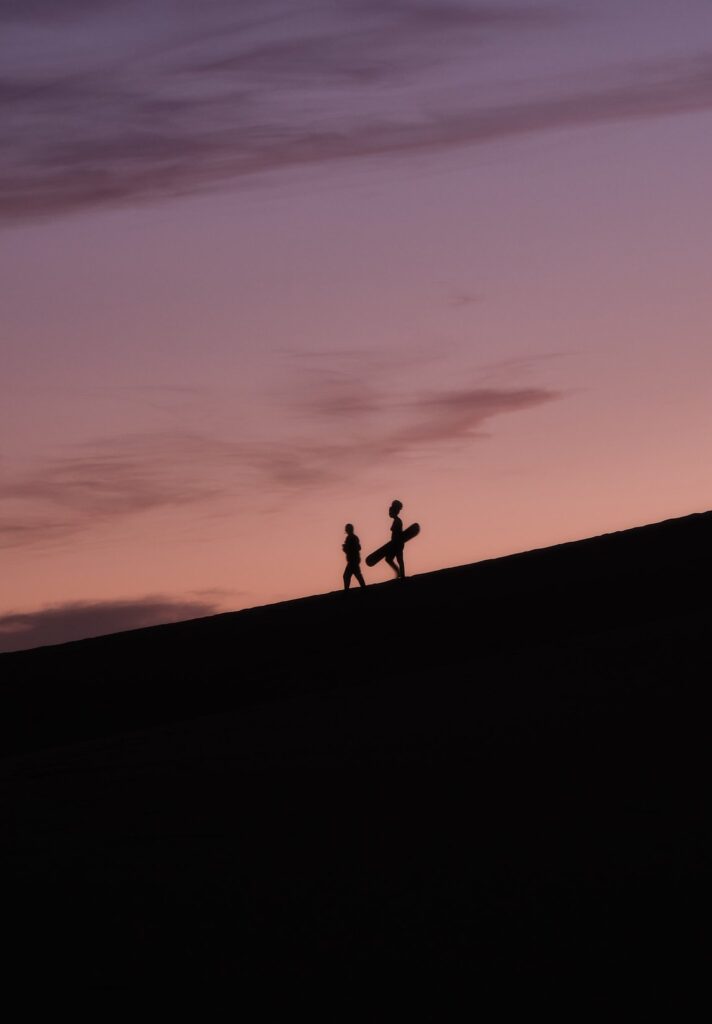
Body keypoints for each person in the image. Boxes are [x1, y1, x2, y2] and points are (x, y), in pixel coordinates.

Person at [385, 499, 405, 580]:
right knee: (394, 559)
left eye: (390, 512)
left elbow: (397, 534)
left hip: (397, 543)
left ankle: (401, 574)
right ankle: (400, 573)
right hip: (396, 543)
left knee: (397, 559)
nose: (389, 513)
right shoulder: (396, 520)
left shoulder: (397, 521)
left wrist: (395, 543)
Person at [342, 523, 366, 590]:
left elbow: (357, 548)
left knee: (346, 576)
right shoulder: (353, 537)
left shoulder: (351, 538)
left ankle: (346, 591)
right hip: (354, 560)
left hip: (353, 560)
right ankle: (364, 588)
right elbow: (358, 547)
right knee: (357, 575)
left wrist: (346, 548)